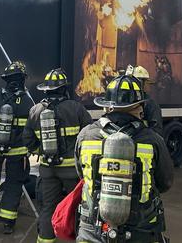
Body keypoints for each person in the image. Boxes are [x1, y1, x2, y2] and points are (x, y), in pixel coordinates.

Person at [75, 74, 174, 243]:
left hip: (92, 230)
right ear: (138, 106)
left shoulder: (86, 135)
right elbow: (165, 182)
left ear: (107, 106)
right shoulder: (152, 140)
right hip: (141, 231)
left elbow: (81, 174)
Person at [24, 68, 93, 243]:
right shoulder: (77, 108)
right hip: (72, 171)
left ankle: (45, 240)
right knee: (78, 206)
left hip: (48, 170)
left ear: (46, 90)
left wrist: (42, 151)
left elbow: (27, 140)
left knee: (48, 207)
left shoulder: (35, 111)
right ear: (63, 89)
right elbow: (90, 136)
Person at [0, 61, 33, 234]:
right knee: (13, 184)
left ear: (6, 80)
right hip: (17, 152)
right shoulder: (27, 101)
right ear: (22, 80)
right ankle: (8, 222)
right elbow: (32, 128)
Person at [127, 65, 164, 136]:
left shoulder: (120, 101)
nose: (149, 86)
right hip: (142, 141)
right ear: (141, 83)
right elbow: (157, 132)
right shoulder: (149, 103)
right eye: (147, 82)